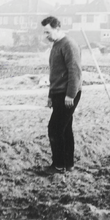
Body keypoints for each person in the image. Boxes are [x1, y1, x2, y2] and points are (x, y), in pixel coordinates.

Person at [41, 16, 82, 174]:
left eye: (48, 32)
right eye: (44, 33)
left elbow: (75, 72)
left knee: (55, 129)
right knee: (64, 129)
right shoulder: (56, 45)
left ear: (57, 28)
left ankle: (58, 165)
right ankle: (68, 164)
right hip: (59, 94)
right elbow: (55, 74)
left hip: (68, 94)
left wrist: (70, 95)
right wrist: (51, 96)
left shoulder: (69, 45)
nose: (46, 36)